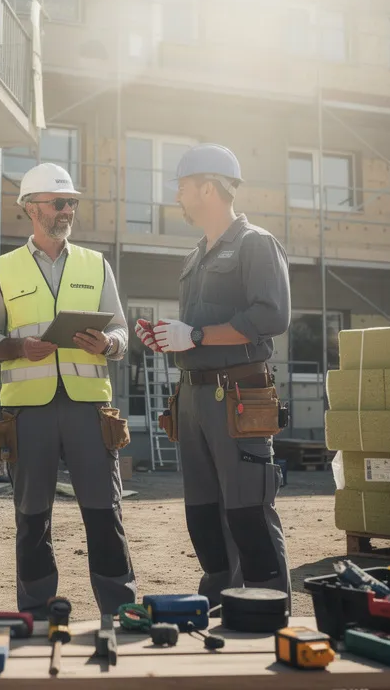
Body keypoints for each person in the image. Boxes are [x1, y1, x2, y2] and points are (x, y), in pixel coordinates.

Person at [0, 162, 137, 617]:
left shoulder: (95, 264)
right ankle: (36, 608)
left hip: (90, 410)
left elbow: (122, 332)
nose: (68, 210)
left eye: (72, 203)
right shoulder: (3, 269)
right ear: (31, 208)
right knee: (32, 518)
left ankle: (119, 607)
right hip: (29, 413)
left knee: (105, 513)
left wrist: (108, 343)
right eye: (58, 202)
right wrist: (16, 346)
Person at [136, 143, 292, 606]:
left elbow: (272, 317)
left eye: (184, 187)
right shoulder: (194, 256)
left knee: (247, 509)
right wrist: (170, 338)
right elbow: (195, 331)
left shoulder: (256, 245)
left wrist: (196, 336)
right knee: (202, 512)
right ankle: (223, 598)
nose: (179, 197)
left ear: (208, 188)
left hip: (239, 396)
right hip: (194, 399)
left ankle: (266, 606)